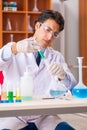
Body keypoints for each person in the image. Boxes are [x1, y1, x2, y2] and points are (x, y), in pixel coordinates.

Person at [0, 10, 76, 130]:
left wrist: (63, 76)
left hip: (44, 116)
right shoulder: (15, 50)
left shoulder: (56, 56)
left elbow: (72, 86)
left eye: (55, 34)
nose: (50, 36)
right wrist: (15, 48)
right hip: (15, 115)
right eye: (48, 30)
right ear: (37, 26)